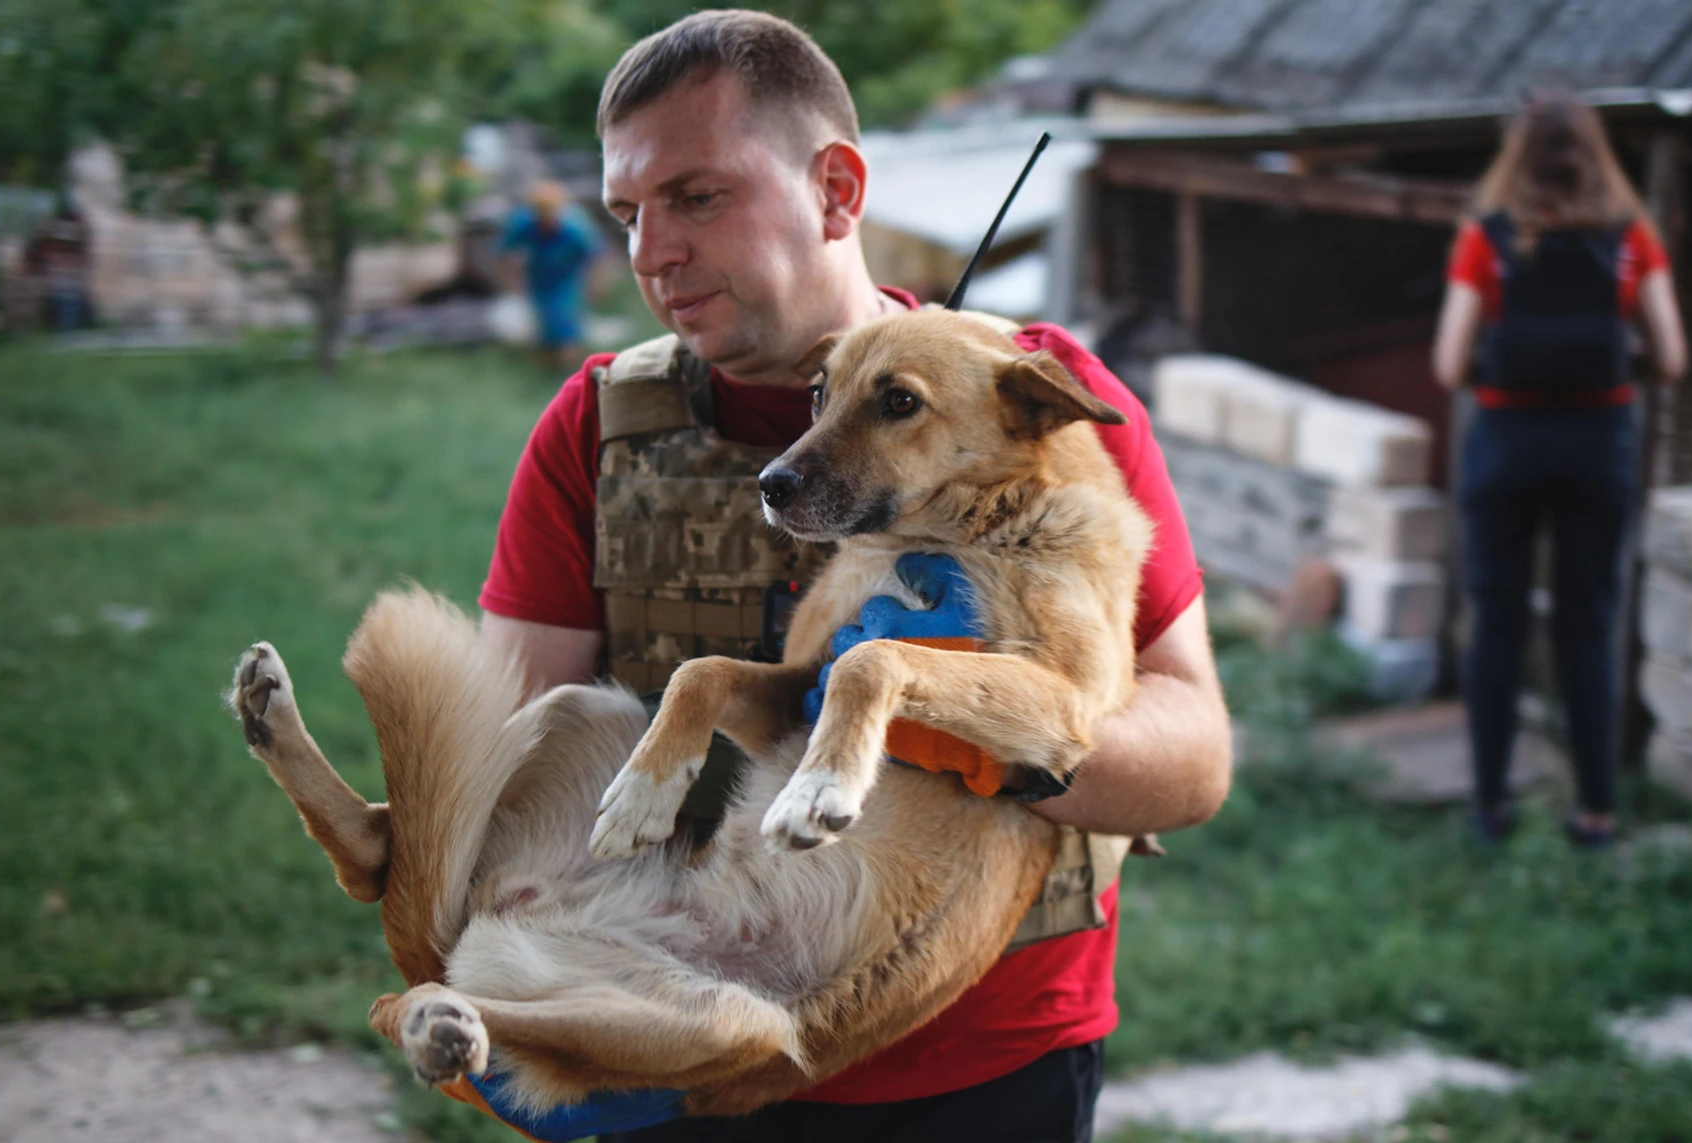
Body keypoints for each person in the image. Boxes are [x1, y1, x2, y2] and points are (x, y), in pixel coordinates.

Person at [477, 11, 1235, 1140]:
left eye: (696, 196)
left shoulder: (1037, 401)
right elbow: (509, 754)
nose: (649, 254)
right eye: (627, 215)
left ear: (837, 190)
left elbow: (1193, 761)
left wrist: (969, 724)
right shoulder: (594, 431)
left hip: (982, 1070)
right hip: (680, 1046)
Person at [1433, 93, 1688, 850]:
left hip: (1507, 444)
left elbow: (1449, 363)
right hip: (1598, 446)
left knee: (1498, 624)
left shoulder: (1490, 239)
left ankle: (1488, 806)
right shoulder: (1631, 239)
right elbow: (1672, 358)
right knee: (1588, 625)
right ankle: (1597, 812)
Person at [499, 179, 607, 367]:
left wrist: (594, 285)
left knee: (566, 322)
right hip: (538, 276)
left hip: (568, 277)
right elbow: (505, 251)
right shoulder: (524, 222)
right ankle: (546, 366)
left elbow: (595, 256)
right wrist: (510, 280)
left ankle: (570, 368)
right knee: (543, 322)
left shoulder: (575, 227)